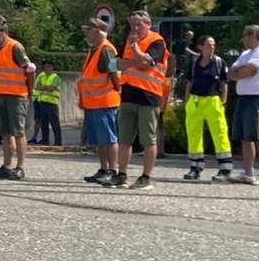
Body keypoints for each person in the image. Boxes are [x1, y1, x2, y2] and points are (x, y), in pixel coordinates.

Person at [106, 10, 169, 190]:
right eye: (132, 24)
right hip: (127, 95)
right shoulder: (128, 41)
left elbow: (148, 63)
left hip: (148, 96)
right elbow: (115, 64)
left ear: (148, 24)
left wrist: (134, 52)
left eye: (138, 24)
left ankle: (145, 177)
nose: (134, 28)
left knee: (148, 139)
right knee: (124, 138)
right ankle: (122, 174)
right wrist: (136, 60)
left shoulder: (156, 41)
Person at [0, 17, 35, 181]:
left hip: (17, 95)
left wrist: (30, 90)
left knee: (18, 132)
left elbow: (29, 69)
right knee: (5, 133)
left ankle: (20, 167)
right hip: (2, 95)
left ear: (4, 32)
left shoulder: (15, 47)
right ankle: (6, 167)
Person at [227, 25, 259, 185]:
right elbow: (232, 72)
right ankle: (248, 173)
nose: (243, 40)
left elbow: (245, 72)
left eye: (244, 37)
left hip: (258, 100)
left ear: (252, 36)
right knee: (245, 137)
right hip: (244, 99)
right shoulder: (246, 54)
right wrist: (239, 72)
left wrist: (240, 72)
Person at [182, 36, 232, 181]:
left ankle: (225, 168)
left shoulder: (218, 62)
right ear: (200, 47)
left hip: (212, 101)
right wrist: (187, 101)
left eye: (214, 45)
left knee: (220, 133)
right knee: (194, 134)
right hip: (195, 101)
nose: (212, 47)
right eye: (209, 45)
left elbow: (224, 82)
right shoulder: (193, 63)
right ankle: (195, 166)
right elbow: (189, 82)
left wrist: (223, 100)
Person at [78, 18, 120, 186]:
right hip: (93, 102)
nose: (86, 33)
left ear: (97, 31)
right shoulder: (95, 49)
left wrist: (117, 91)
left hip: (104, 101)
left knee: (109, 138)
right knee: (99, 140)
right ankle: (103, 169)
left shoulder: (106, 50)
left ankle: (113, 171)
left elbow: (114, 73)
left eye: (88, 30)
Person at [33, 60, 62, 146]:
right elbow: (37, 87)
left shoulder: (55, 77)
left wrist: (43, 87)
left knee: (55, 123)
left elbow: (51, 88)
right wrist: (46, 87)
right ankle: (45, 140)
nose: (47, 68)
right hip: (43, 102)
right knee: (44, 123)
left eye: (49, 66)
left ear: (52, 68)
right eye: (45, 67)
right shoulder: (42, 76)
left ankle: (58, 141)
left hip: (52, 103)